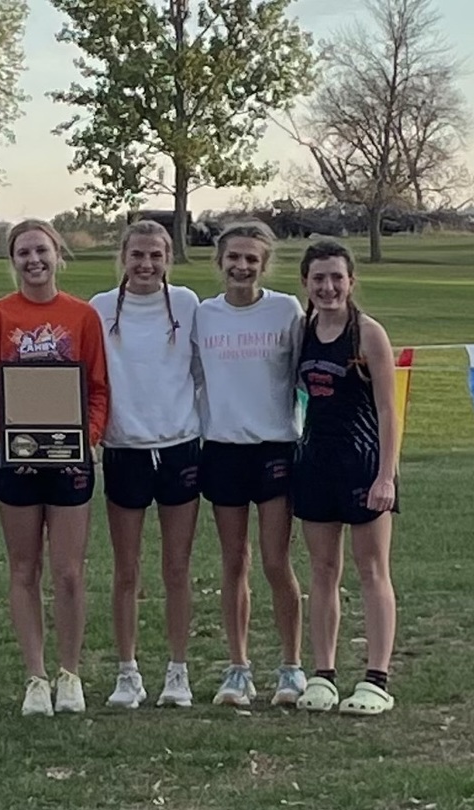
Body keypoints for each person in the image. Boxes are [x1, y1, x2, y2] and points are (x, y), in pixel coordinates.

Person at [0, 218, 109, 716]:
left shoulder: (83, 315)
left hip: (69, 460)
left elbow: (97, 389)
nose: (34, 261)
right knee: (23, 569)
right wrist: (6, 437)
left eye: (42, 251)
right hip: (18, 461)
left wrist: (83, 440)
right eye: (24, 253)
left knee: (69, 572)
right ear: (13, 260)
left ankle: (70, 674)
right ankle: (36, 677)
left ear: (57, 255)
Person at [89, 220, 203, 709]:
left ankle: (177, 672)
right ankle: (127, 672)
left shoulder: (188, 305)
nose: (146, 265)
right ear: (123, 256)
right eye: (137, 255)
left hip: (180, 447)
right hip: (124, 449)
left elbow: (200, 370)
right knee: (126, 570)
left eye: (156, 256)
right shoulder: (98, 309)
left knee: (177, 568)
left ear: (168, 259)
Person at [193, 220, 306, 708]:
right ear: (219, 262)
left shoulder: (286, 311)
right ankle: (238, 668)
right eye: (233, 258)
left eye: (251, 260)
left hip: (275, 448)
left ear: (263, 265)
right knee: (234, 561)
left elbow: (308, 371)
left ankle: (292, 668)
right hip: (222, 448)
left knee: (276, 561)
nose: (241, 267)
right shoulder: (203, 314)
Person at [293, 240, 399, 716]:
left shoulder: (369, 334)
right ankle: (324, 673)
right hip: (315, 463)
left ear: (351, 281)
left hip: (363, 463)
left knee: (372, 569)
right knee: (322, 571)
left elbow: (387, 410)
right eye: (319, 278)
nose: (328, 287)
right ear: (306, 283)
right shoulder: (302, 330)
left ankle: (377, 677)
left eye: (337, 277)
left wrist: (386, 476)